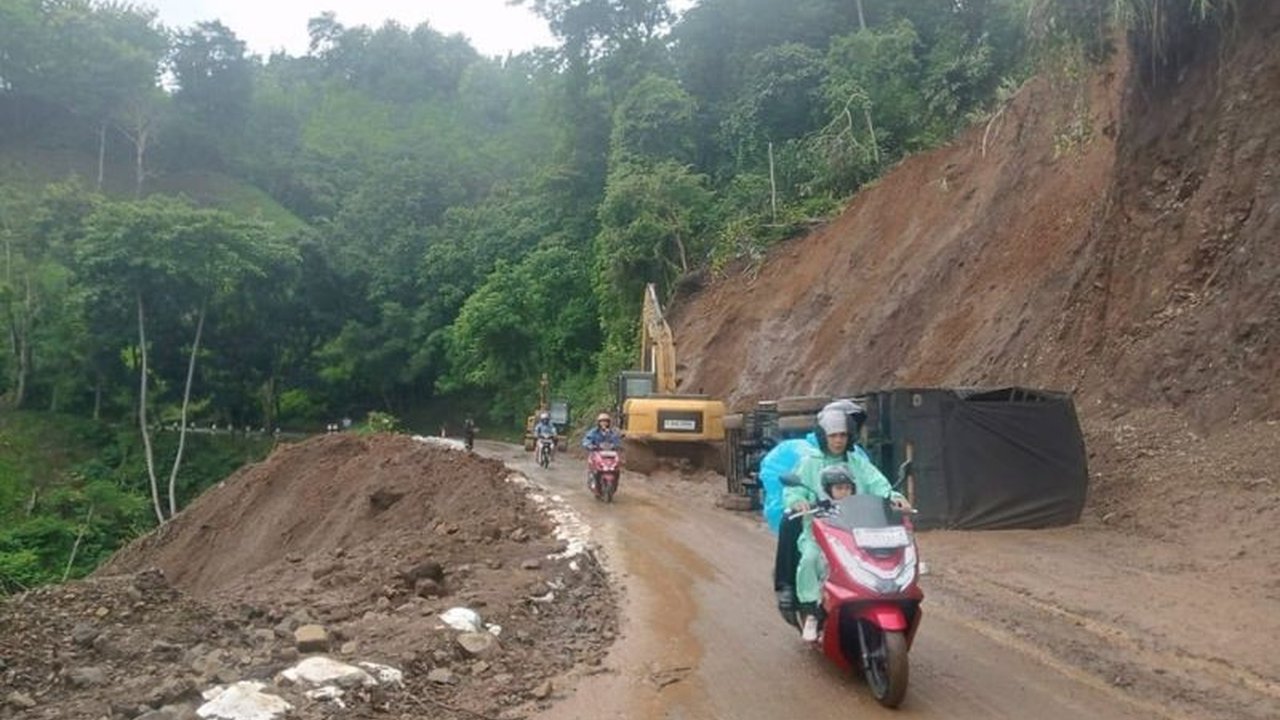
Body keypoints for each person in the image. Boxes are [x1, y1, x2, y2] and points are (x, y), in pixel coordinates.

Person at [784, 402, 913, 642]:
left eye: (843, 435)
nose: (838, 440)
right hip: (820, 533)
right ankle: (812, 611)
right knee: (811, 558)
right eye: (833, 435)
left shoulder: (858, 463)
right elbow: (795, 491)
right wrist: (798, 501)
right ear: (824, 437)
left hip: (858, 530)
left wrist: (895, 498)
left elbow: (879, 484)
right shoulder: (810, 463)